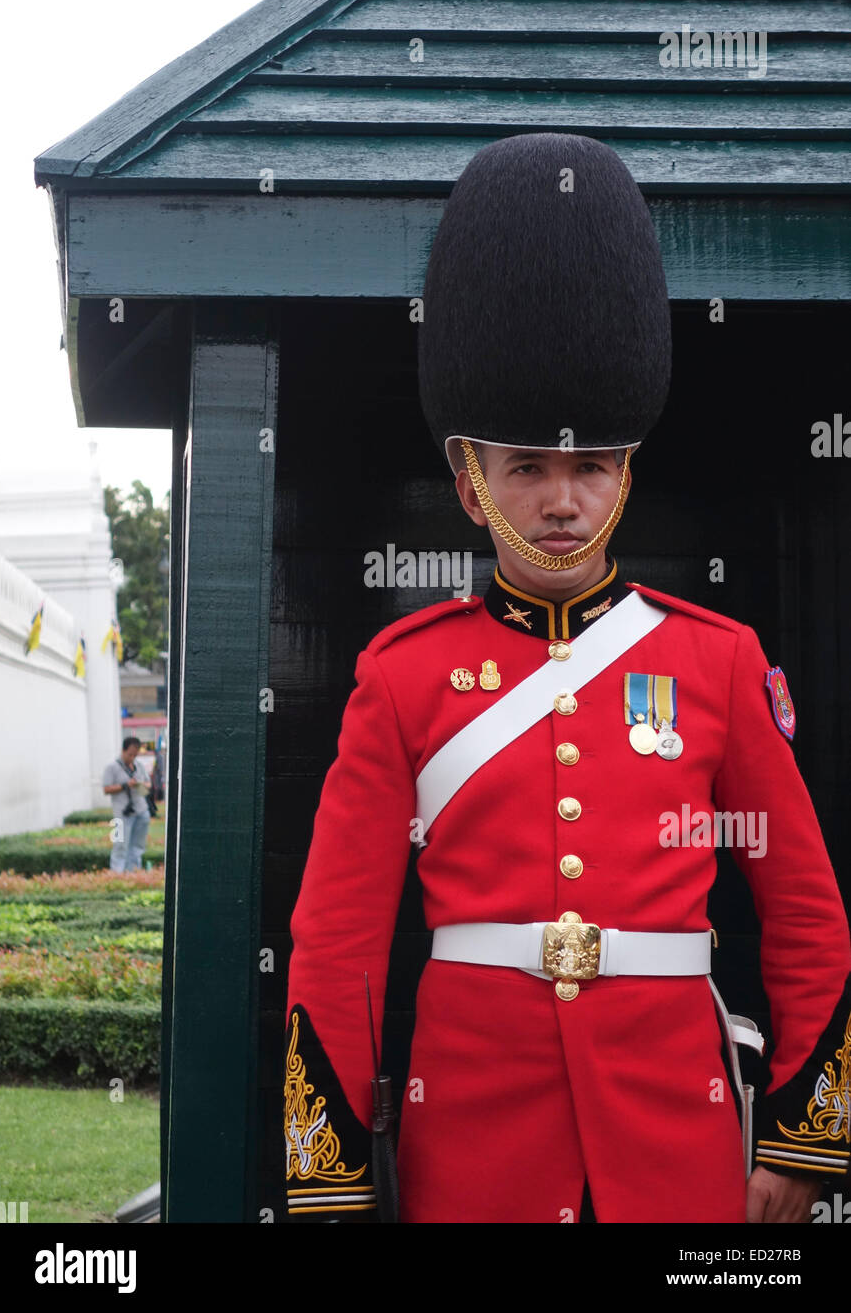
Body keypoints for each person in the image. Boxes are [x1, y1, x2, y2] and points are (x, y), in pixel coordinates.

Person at [284, 133, 851, 1224]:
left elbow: (806, 915)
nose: (559, 500)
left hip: (673, 1146)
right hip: (476, 1144)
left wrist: (798, 1137)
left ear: (623, 474)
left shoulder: (714, 662)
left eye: (588, 466)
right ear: (469, 485)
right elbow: (338, 939)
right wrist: (333, 1172)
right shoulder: (400, 678)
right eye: (526, 469)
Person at [103, 736, 151, 873]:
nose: (132, 758)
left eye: (135, 755)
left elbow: (148, 785)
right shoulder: (111, 767)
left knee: (138, 845)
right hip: (120, 814)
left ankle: (133, 872)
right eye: (130, 754)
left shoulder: (139, 766)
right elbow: (106, 789)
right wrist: (125, 785)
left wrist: (138, 785)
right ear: (123, 751)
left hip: (141, 811)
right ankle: (117, 874)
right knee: (119, 845)